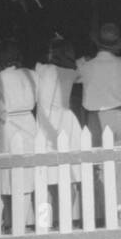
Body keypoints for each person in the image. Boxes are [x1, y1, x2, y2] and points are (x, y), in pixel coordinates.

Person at [0, 41, 38, 232]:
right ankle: (21, 224)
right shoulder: (32, 75)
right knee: (28, 175)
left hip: (7, 127)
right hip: (29, 123)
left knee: (4, 177)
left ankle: (6, 224)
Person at [35, 37, 83, 225]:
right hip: (66, 122)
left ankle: (44, 223)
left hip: (45, 122)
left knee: (44, 176)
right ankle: (65, 220)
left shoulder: (40, 69)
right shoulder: (72, 72)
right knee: (68, 175)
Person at [78, 23, 121, 144]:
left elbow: (76, 75)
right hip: (119, 113)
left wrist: (82, 60)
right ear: (115, 46)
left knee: (98, 156)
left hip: (96, 117)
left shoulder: (86, 67)